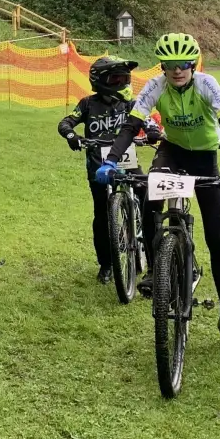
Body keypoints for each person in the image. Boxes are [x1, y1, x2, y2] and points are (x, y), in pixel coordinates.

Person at [105, 32, 220, 357]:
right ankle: (158, 265)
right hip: (171, 152)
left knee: (216, 241)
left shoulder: (207, 84)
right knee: (148, 195)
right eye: (169, 65)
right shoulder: (156, 85)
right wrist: (111, 159)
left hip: (205, 157)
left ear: (193, 63)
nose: (177, 71)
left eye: (183, 64)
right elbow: (131, 126)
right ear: (163, 66)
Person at [57, 55, 139, 284]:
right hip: (98, 166)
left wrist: (151, 130)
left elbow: (147, 119)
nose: (123, 83)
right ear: (102, 81)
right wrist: (72, 136)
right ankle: (106, 263)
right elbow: (65, 123)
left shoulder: (129, 103)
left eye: (125, 78)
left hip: (127, 161)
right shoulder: (87, 104)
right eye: (118, 78)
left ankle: (147, 251)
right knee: (102, 216)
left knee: (146, 194)